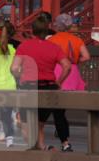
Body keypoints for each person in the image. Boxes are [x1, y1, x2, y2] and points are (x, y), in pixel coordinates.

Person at [11, 18, 73, 151]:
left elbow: (14, 68)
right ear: (46, 32)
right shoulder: (54, 47)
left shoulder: (24, 46)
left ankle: (39, 147)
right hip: (49, 87)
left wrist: (20, 79)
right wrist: (58, 82)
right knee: (39, 124)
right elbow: (67, 66)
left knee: (25, 122)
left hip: (29, 87)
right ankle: (42, 147)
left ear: (32, 31)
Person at [48, 13, 90, 92]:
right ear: (70, 26)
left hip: (56, 70)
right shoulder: (77, 40)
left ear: (57, 26)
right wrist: (76, 60)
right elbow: (86, 57)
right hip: (72, 69)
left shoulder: (51, 40)